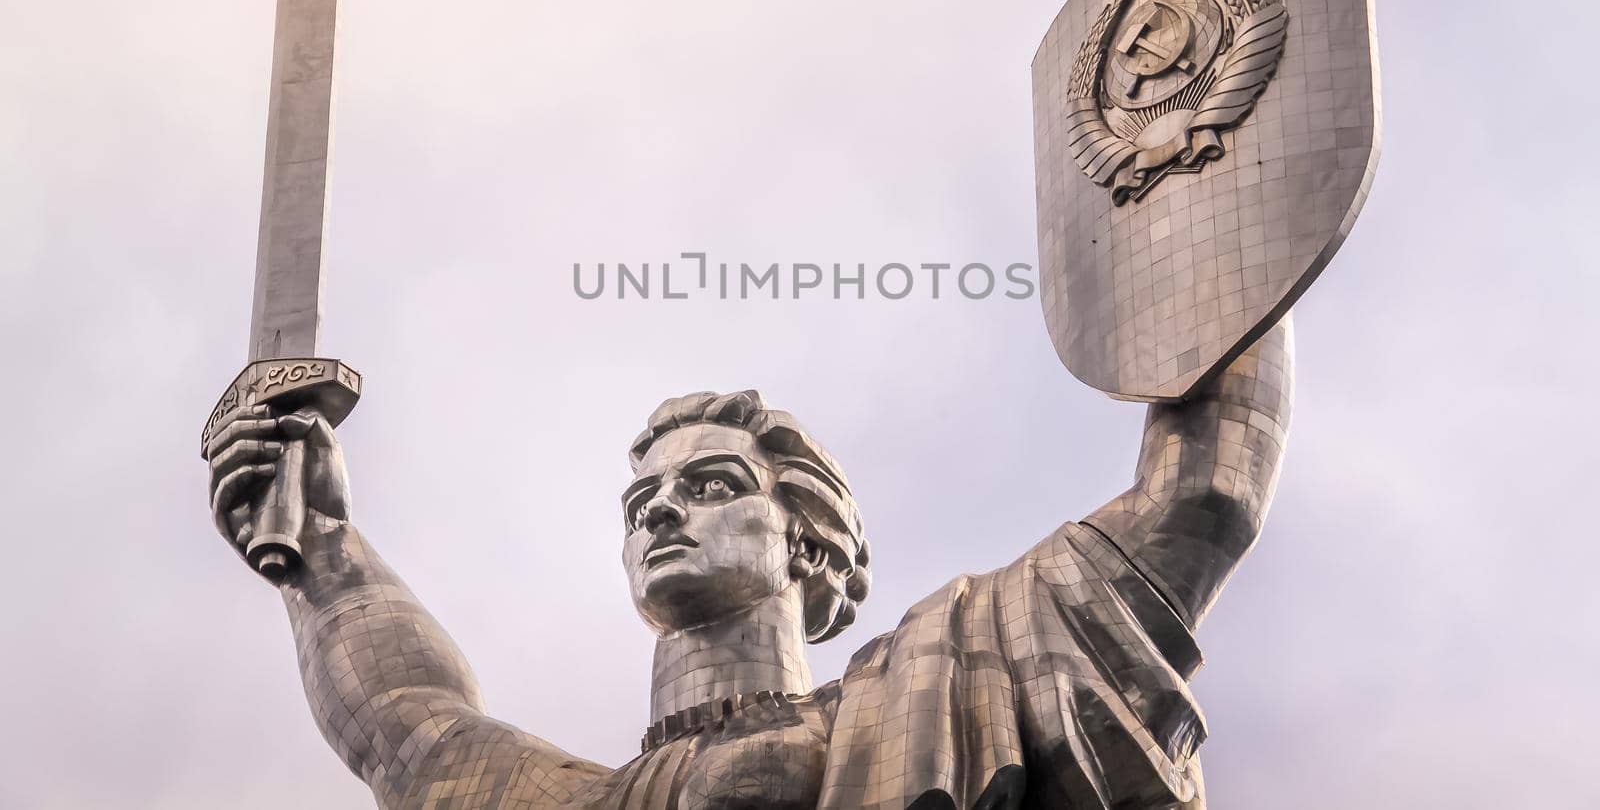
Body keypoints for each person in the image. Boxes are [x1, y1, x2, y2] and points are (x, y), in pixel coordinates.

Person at [205, 320, 1293, 810]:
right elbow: (408, 725)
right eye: (642, 502)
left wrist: (1216, 265)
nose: (664, 510)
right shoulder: (566, 799)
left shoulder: (950, 675)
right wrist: (322, 548)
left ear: (808, 540)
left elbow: (1199, 499)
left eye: (712, 484)